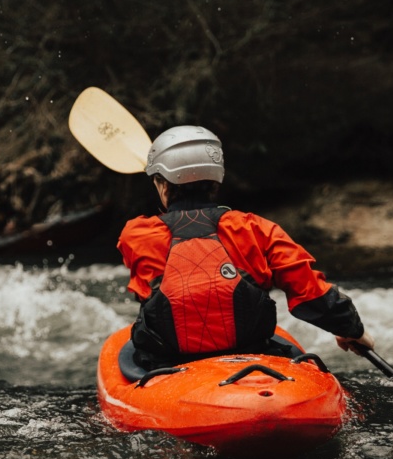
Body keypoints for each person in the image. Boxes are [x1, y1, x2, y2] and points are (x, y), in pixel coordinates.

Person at [117, 125, 375, 368]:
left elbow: (149, 289)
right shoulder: (258, 229)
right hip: (252, 355)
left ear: (163, 185)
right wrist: (352, 331)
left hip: (168, 363)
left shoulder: (136, 234)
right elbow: (311, 294)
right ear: (216, 182)